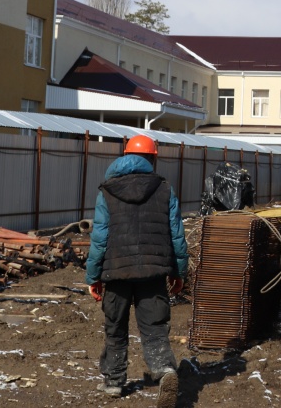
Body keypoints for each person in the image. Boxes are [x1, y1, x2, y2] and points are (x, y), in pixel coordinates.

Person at [85, 134, 189, 406]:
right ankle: (164, 370)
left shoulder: (107, 190)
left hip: (115, 272)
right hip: (153, 272)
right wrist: (179, 271)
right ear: (153, 158)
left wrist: (93, 276)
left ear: (124, 156)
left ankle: (114, 381)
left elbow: (99, 237)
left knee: (115, 327)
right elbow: (176, 234)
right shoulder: (164, 188)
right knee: (155, 327)